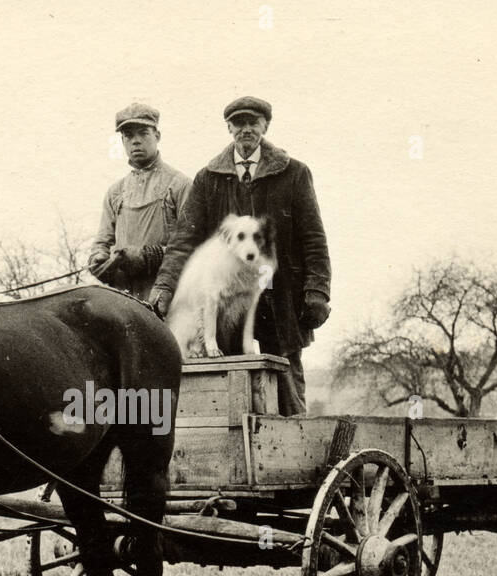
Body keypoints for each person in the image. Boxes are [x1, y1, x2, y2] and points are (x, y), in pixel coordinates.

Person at [150, 96, 331, 415]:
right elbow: (184, 238)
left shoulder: (295, 174)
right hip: (228, 301)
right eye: (239, 123)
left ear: (265, 125)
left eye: (253, 122)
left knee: (286, 382)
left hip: (282, 296)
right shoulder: (208, 178)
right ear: (229, 127)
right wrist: (165, 286)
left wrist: (317, 291)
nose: (246, 129)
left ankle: (295, 454)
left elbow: (313, 238)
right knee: (229, 388)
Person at [88, 102, 192, 301]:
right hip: (123, 298)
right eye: (129, 136)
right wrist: (98, 258)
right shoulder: (116, 192)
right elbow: (102, 242)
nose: (136, 141)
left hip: (166, 294)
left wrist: (148, 257)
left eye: (143, 133)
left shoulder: (180, 185)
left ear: (157, 136)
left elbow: (192, 246)